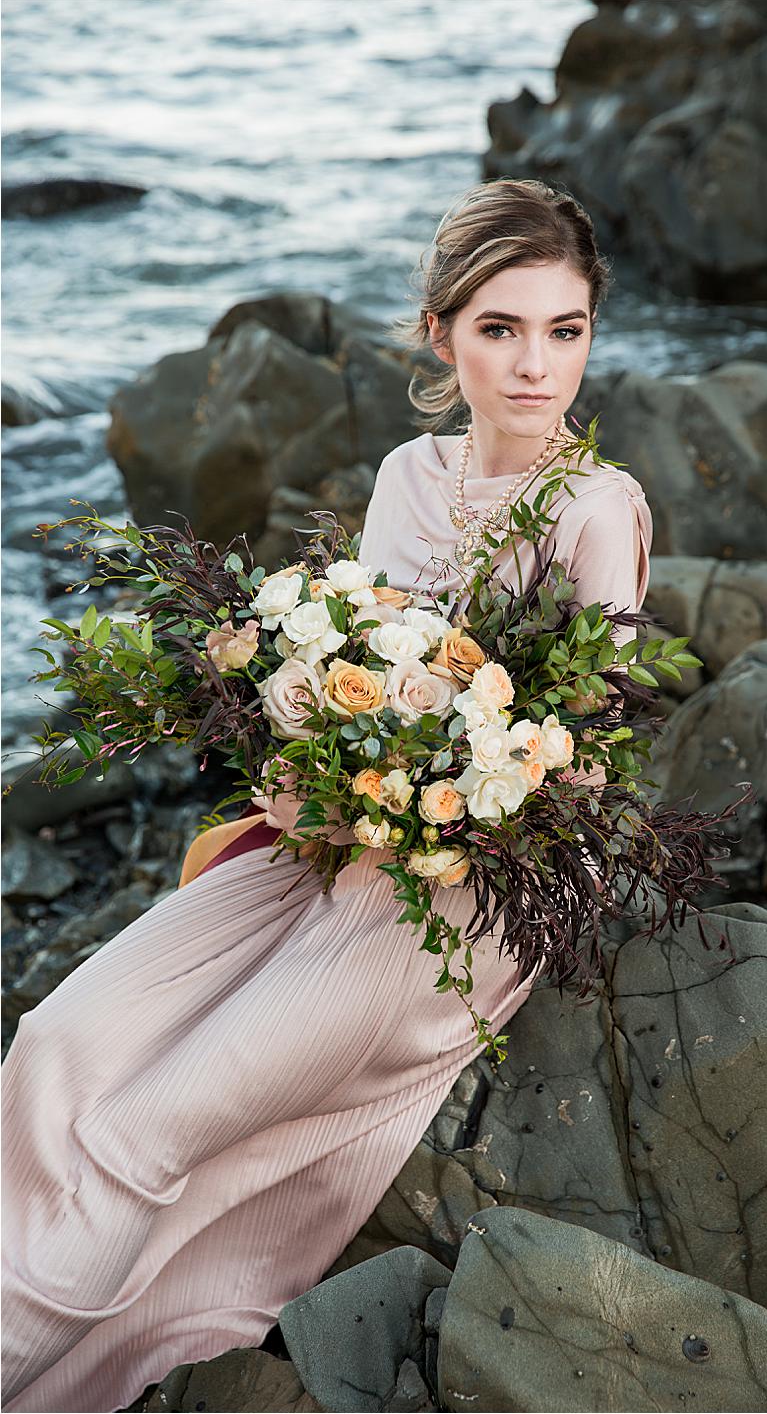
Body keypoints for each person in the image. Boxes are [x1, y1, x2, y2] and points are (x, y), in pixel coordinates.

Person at [0, 178, 653, 1414]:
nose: (534, 366)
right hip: (344, 833)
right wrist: (308, 747)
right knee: (63, 1043)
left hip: (483, 871)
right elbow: (350, 659)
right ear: (441, 334)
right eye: (500, 330)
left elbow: (591, 754)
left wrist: (447, 790)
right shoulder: (410, 474)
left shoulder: (596, 506)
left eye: (564, 330)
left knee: (156, 1125)